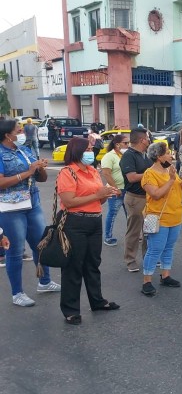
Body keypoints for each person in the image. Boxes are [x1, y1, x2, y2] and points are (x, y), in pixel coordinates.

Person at [56, 138, 120, 325]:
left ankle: (97, 301)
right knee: (73, 266)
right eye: (88, 149)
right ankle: (71, 309)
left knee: (93, 263)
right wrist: (97, 195)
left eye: (92, 149)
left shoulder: (92, 170)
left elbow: (98, 199)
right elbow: (68, 201)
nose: (91, 152)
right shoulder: (67, 172)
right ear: (77, 151)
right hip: (75, 222)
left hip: (94, 221)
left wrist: (106, 194)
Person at [0, 120, 60, 307]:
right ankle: (17, 293)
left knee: (41, 244)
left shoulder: (24, 150)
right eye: (18, 131)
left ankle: (45, 281)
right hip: (11, 207)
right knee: (16, 251)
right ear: (7, 135)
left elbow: (40, 178)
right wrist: (28, 171)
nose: (22, 132)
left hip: (32, 202)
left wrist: (40, 168)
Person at [140, 142, 182, 296]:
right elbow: (155, 194)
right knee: (155, 249)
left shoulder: (171, 170)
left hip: (175, 215)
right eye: (168, 153)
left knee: (169, 248)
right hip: (159, 217)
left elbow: (180, 190)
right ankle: (147, 281)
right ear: (158, 156)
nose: (171, 155)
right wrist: (170, 180)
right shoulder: (149, 174)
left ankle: (166, 275)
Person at [120, 128, 153, 272]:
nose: (149, 140)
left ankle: (148, 256)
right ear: (141, 140)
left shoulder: (146, 155)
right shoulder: (129, 156)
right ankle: (130, 259)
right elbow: (132, 177)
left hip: (149, 197)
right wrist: (151, 173)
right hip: (135, 198)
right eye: (147, 137)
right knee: (134, 231)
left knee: (150, 230)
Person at [101, 134, 129, 246]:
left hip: (127, 189)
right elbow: (106, 174)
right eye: (125, 143)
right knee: (112, 214)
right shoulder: (109, 156)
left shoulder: (125, 155)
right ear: (117, 144)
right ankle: (108, 236)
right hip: (115, 190)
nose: (128, 145)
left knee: (131, 215)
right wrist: (116, 189)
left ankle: (134, 235)